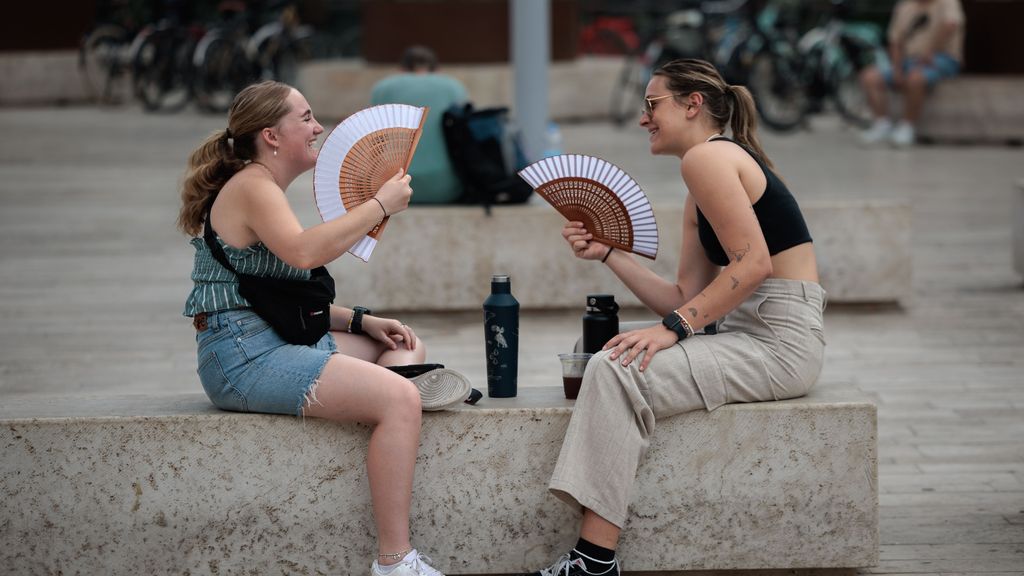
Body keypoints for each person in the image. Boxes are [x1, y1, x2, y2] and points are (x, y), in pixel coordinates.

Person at [521, 59, 826, 576]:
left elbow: (753, 265)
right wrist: (608, 252)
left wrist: (674, 330)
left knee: (617, 367)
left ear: (693, 105)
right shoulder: (703, 176)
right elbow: (684, 294)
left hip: (778, 341)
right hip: (753, 334)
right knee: (617, 360)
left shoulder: (708, 159)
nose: (643, 118)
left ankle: (593, 563)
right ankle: (592, 561)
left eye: (652, 104)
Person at [178, 81, 471, 576]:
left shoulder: (260, 186)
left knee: (402, 345)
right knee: (399, 399)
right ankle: (395, 562)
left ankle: (390, 401)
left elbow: (277, 293)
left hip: (268, 336)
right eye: (307, 118)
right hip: (242, 355)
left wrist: (362, 320)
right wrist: (380, 205)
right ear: (271, 135)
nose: (318, 128)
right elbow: (305, 253)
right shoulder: (252, 185)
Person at [859, 0, 965, 147]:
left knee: (915, 77)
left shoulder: (948, 2)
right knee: (869, 76)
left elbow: (950, 25)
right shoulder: (904, 6)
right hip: (908, 60)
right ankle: (882, 125)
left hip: (942, 58)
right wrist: (896, 69)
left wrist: (931, 51)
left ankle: (907, 127)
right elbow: (895, 41)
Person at [370, 45, 468, 204]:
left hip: (393, 187)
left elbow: (374, 141)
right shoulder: (454, 87)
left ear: (401, 69)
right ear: (438, 69)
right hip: (446, 185)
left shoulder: (382, 88)